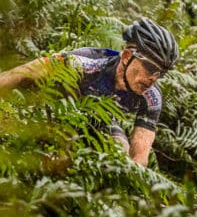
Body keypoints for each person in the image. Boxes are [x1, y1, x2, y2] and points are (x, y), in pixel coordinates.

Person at [0, 18, 179, 166]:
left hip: (97, 118)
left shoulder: (152, 96)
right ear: (126, 57)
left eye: (160, 73)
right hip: (53, 105)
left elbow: (139, 158)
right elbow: (19, 74)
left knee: (120, 150)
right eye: (149, 67)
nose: (153, 78)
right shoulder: (85, 62)